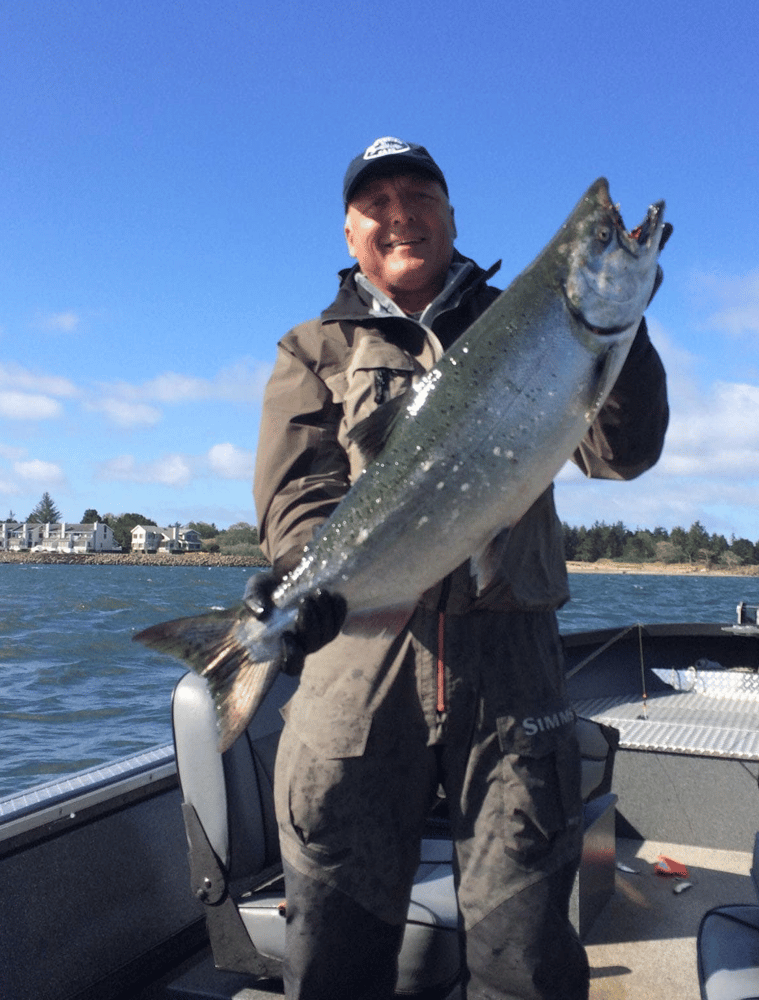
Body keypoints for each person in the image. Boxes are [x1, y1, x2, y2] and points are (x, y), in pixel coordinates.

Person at [252, 136, 669, 999]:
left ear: (451, 216)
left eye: (421, 197)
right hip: (354, 681)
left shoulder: (526, 318)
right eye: (378, 204)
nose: (400, 215)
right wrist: (304, 573)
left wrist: (627, 330)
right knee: (335, 956)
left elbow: (622, 454)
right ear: (349, 232)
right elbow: (297, 494)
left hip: (512, 674)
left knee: (526, 959)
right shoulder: (311, 348)